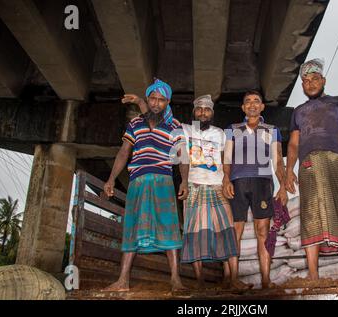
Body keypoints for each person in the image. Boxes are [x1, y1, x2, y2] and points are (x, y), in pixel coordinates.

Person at [285, 58, 338, 280]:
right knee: (311, 213)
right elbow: (293, 144)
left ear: (323, 80)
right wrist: (288, 170)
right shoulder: (298, 112)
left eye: (314, 79)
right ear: (302, 86)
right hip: (309, 164)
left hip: (336, 160)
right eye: (306, 81)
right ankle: (313, 275)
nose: (310, 84)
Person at [103, 79, 189, 292]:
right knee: (132, 227)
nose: (156, 103)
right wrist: (111, 178)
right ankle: (123, 280)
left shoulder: (174, 126)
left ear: (167, 102)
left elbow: (182, 156)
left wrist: (185, 180)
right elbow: (124, 152)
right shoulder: (135, 124)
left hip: (163, 180)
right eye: (153, 98)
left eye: (161, 100)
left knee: (168, 227)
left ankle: (175, 280)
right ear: (149, 99)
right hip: (138, 181)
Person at [180, 95, 250, 290]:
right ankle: (200, 281)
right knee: (193, 232)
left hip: (217, 185)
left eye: (207, 109)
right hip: (194, 185)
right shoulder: (184, 130)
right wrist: (184, 181)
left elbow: (224, 160)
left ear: (212, 113)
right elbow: (183, 158)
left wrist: (227, 180)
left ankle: (232, 278)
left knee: (226, 231)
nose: (203, 112)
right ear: (193, 111)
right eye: (199, 109)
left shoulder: (219, 133)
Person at [223, 90, 288, 289]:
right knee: (236, 230)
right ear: (243, 108)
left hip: (263, 183)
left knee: (263, 232)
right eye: (248, 102)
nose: (252, 104)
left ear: (262, 107)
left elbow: (278, 160)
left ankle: (266, 281)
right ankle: (233, 279)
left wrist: (283, 186)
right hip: (238, 182)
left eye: (256, 101)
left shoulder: (272, 129)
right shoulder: (232, 129)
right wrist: (226, 178)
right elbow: (226, 157)